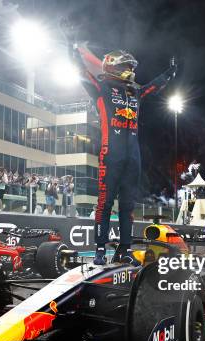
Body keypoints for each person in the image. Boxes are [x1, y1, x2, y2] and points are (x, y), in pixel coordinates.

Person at [64, 21, 177, 265]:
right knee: (104, 205)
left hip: (133, 157)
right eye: (126, 66)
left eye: (131, 66)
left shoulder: (135, 92)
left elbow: (151, 88)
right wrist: (70, 47)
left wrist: (168, 74)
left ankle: (124, 250)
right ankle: (100, 251)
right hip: (110, 154)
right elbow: (81, 72)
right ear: (114, 66)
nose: (130, 70)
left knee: (127, 207)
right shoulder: (101, 88)